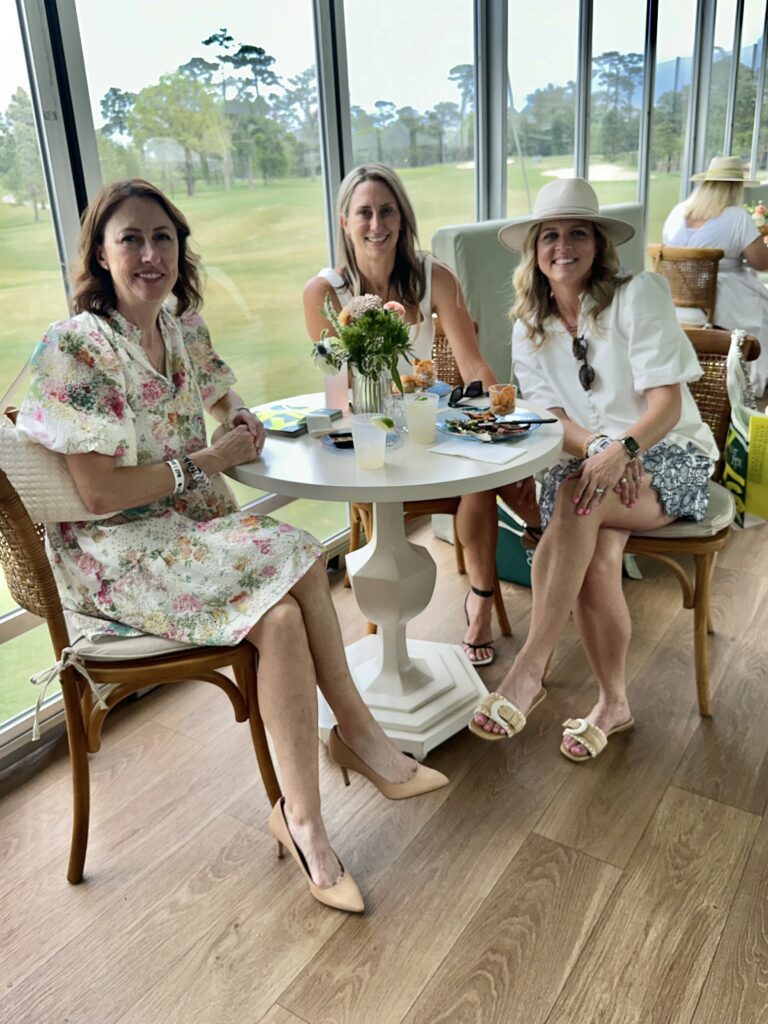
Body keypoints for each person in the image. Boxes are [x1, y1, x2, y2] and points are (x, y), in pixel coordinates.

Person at [16, 178, 448, 914]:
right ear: (99, 252)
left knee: (281, 618)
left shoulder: (180, 326)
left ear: (180, 248)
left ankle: (302, 820)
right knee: (298, 552)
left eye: (163, 237)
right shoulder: (76, 347)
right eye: (131, 238)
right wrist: (208, 462)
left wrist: (238, 419)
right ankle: (358, 736)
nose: (150, 253)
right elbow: (96, 496)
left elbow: (220, 396)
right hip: (115, 557)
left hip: (187, 534)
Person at [469, 177, 718, 761]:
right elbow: (552, 417)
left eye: (577, 232)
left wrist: (624, 450)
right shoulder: (529, 325)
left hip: (667, 451)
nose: (564, 246)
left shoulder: (640, 294)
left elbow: (667, 406)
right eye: (550, 235)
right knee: (595, 546)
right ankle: (615, 703)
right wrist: (601, 448)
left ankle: (528, 671)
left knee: (576, 501)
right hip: (587, 458)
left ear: (599, 245)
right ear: (534, 251)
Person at [303, 162, 539, 668]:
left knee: (483, 471)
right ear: (345, 221)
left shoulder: (435, 276)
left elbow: (472, 363)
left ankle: (478, 601)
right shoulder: (323, 293)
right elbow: (337, 391)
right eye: (363, 212)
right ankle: (390, 643)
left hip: (428, 426)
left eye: (387, 210)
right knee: (481, 476)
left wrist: (501, 412)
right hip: (367, 439)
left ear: (403, 217)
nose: (376, 224)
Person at [662, 155, 768, 395]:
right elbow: (762, 263)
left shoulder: (677, 213)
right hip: (720, 302)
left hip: (674, 299)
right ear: (735, 188)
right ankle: (751, 385)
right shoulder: (737, 216)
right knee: (764, 305)